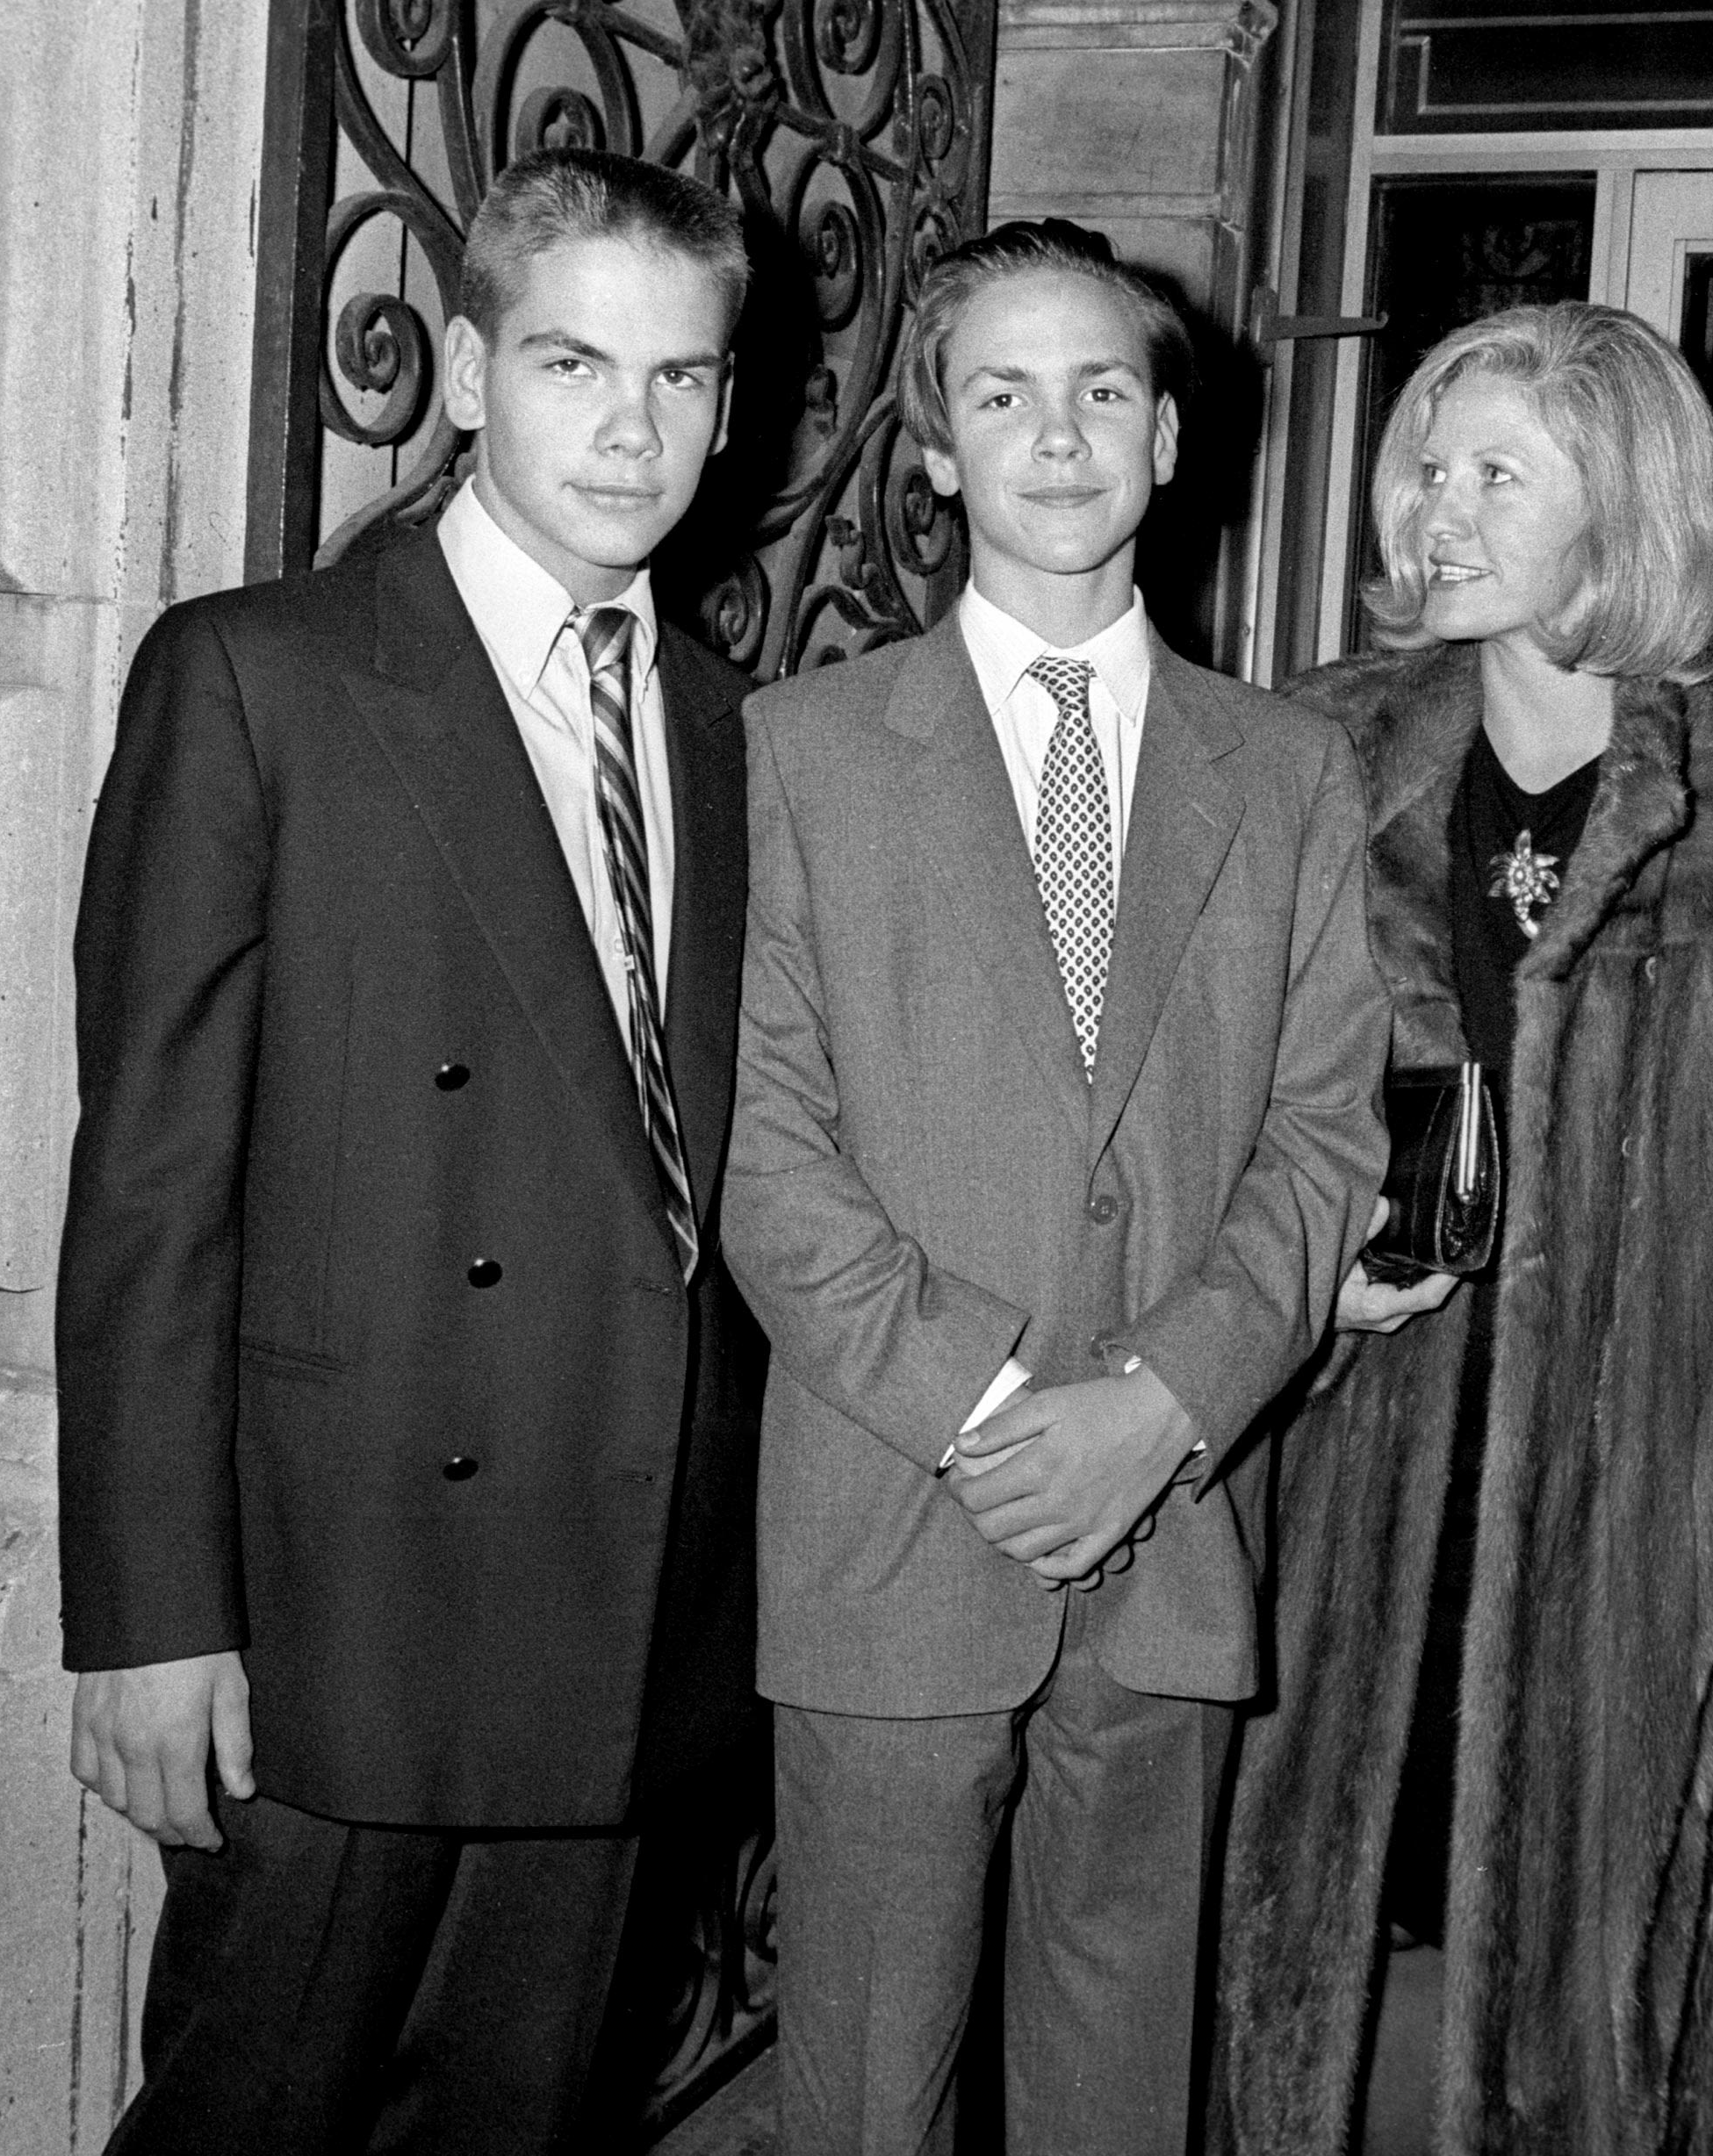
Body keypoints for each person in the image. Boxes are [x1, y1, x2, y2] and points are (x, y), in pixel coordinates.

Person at [57, 147, 763, 2152]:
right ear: (464, 373)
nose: (633, 428)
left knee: (520, 2125)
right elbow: (151, 1185)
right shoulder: (257, 672)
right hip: (338, 1601)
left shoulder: (724, 724)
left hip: (626, 1598)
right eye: (573, 362)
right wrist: (150, 1610)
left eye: (686, 376)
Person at [721, 219, 1387, 2156]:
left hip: (1174, 1536)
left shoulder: (1286, 769)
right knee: (864, 2095)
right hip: (893, 1519)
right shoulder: (802, 753)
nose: (1061, 434)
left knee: (1117, 2097)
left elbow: (1326, 1131)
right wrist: (1008, 1416)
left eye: (1106, 387)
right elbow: (771, 1156)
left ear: (1171, 437)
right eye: (1002, 393)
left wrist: (1164, 1406)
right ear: (933, 447)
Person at [1210, 301, 1713, 2154]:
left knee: (1596, 1996)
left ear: (1631, 503)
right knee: (1297, 1972)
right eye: (1427, 460)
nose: (1437, 503)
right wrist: (1276, 1296)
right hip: (1339, 1466)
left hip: (1632, 1503)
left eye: (1497, 468)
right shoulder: (1309, 755)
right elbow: (1195, 1106)